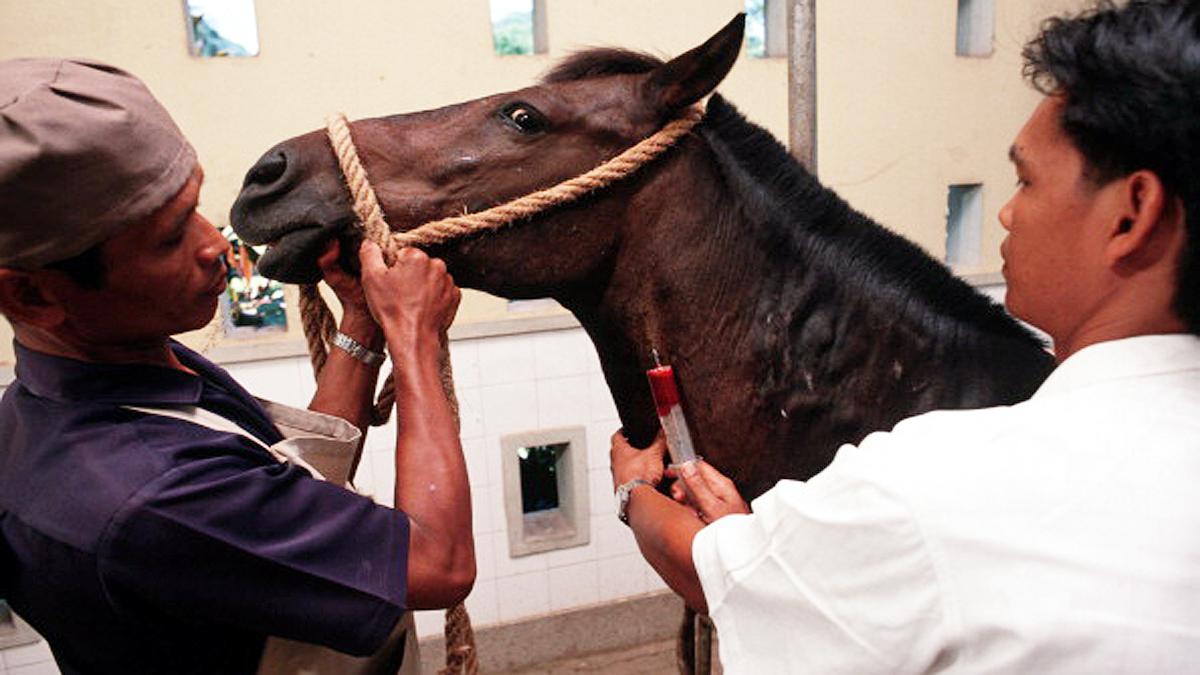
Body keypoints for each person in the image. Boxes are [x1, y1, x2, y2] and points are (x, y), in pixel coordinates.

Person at [610, 1, 1200, 672]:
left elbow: (710, 571)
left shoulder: (936, 483)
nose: (1006, 211)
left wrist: (633, 491)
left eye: (1026, 179)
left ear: (1133, 213)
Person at [0, 59, 472, 674]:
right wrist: (415, 336)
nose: (214, 244)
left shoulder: (94, 384)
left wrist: (360, 322)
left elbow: (296, 497)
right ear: (33, 296)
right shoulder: (149, 493)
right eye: (169, 239)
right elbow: (438, 564)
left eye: (195, 205)